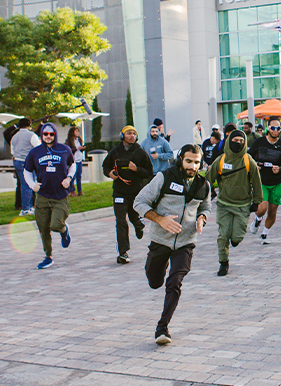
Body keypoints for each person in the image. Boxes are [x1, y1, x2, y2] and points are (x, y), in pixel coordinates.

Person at [133, 144, 211, 345]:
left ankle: (163, 328)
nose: (192, 166)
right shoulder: (164, 178)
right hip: (160, 240)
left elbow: (206, 206)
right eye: (188, 161)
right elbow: (139, 202)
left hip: (186, 241)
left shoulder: (203, 185)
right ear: (180, 160)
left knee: (174, 282)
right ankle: (158, 270)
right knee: (155, 281)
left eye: (196, 162)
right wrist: (160, 219)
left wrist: (202, 217)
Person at [203, 130, 262, 276]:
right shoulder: (221, 160)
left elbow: (257, 182)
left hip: (242, 206)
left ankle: (235, 240)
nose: (238, 143)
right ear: (229, 141)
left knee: (236, 237)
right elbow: (208, 179)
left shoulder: (248, 160)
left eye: (241, 141)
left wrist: (256, 201)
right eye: (235, 140)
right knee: (223, 235)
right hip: (224, 204)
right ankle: (223, 262)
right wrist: (207, 193)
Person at [23, 123, 76, 270]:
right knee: (43, 228)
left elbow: (73, 165)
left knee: (55, 225)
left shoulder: (64, 150)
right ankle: (48, 256)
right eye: (45, 134)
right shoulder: (35, 152)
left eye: (51, 134)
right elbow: (27, 171)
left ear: (55, 135)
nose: (48, 136)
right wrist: (32, 184)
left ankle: (64, 230)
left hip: (60, 196)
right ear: (41, 135)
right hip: (42, 196)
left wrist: (69, 178)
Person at [102, 125, 153, 264]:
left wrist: (136, 169)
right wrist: (109, 173)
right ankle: (123, 252)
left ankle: (139, 225)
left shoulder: (140, 153)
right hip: (119, 192)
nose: (132, 136)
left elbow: (149, 172)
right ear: (122, 135)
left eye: (134, 134)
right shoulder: (115, 152)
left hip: (135, 192)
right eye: (129, 133)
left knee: (133, 216)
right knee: (120, 221)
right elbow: (105, 166)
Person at [248, 117, 281, 244]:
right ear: (268, 128)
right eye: (273, 128)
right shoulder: (259, 142)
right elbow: (248, 157)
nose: (275, 130)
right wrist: (255, 164)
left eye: (278, 128)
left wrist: (280, 168)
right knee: (262, 208)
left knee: (272, 211)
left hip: (277, 182)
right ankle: (258, 218)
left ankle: (265, 234)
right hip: (261, 181)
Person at [10, 118, 41, 215]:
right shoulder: (31, 135)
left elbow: (12, 151)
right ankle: (26, 209)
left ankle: (29, 206)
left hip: (17, 161)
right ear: (29, 125)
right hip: (27, 162)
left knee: (23, 184)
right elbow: (39, 148)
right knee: (28, 185)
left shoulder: (14, 136)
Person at [65, 126, 86, 196]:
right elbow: (68, 149)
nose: (77, 133)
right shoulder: (69, 140)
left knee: (79, 176)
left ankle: (80, 191)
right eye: (76, 131)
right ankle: (72, 191)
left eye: (78, 131)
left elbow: (80, 148)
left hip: (79, 159)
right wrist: (76, 148)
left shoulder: (79, 139)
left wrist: (82, 148)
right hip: (73, 160)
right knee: (72, 176)